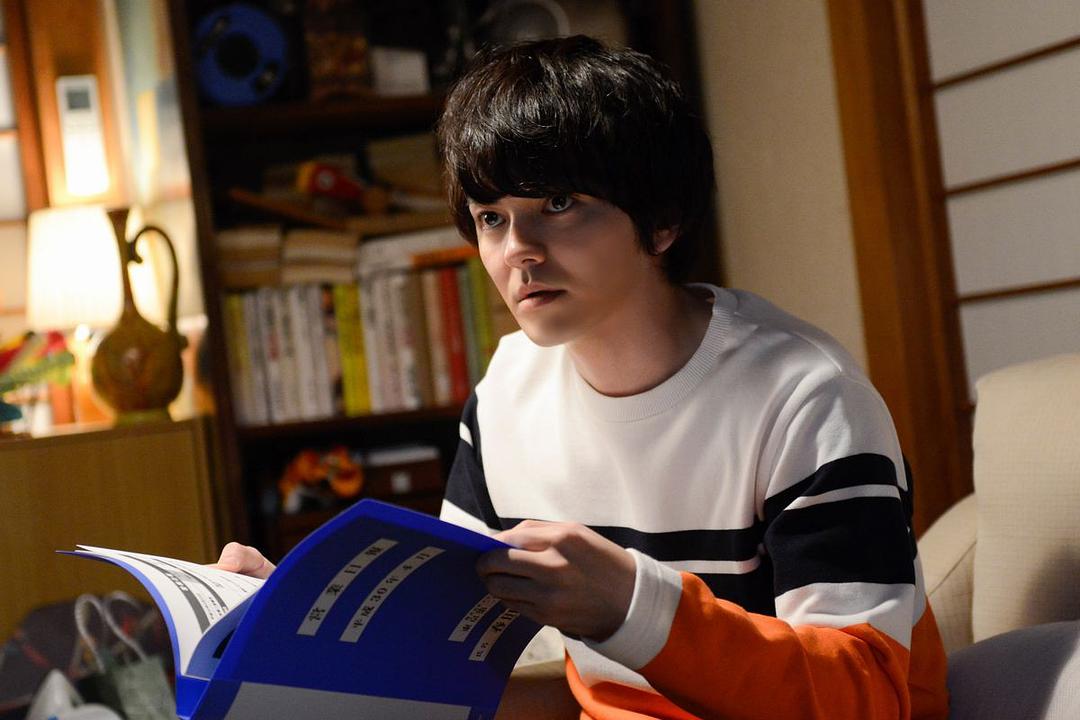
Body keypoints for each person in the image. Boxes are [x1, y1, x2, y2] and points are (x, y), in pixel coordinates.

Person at [217, 35, 949, 720]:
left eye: (559, 205)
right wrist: (300, 615)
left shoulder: (804, 397)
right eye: (491, 218)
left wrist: (633, 604)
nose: (519, 250)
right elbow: (456, 660)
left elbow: (868, 695)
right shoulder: (507, 392)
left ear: (662, 221)